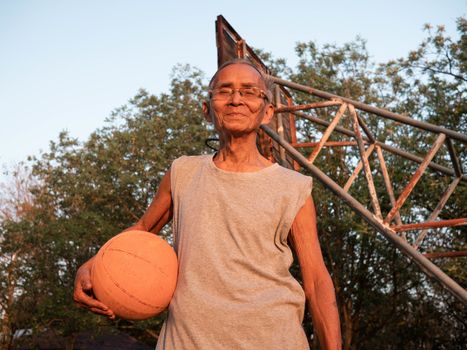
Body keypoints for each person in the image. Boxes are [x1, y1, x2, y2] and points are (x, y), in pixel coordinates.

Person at [74, 59, 342, 349]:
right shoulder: (183, 172)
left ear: (267, 112)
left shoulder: (293, 188)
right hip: (186, 341)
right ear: (206, 110)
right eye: (224, 91)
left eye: (250, 92)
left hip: (273, 339)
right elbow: (141, 230)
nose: (236, 99)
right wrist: (93, 264)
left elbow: (315, 280)